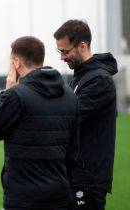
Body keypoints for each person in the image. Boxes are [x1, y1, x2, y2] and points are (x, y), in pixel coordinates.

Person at [0, 36, 78, 210]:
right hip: (60, 196)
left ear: (16, 63)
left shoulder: (16, 95)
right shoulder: (71, 96)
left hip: (23, 198)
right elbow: (73, 152)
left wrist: (8, 90)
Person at [54, 19, 118, 210]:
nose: (62, 58)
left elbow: (70, 119)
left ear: (82, 46)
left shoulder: (99, 80)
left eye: (65, 51)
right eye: (59, 52)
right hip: (74, 175)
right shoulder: (81, 77)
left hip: (88, 179)